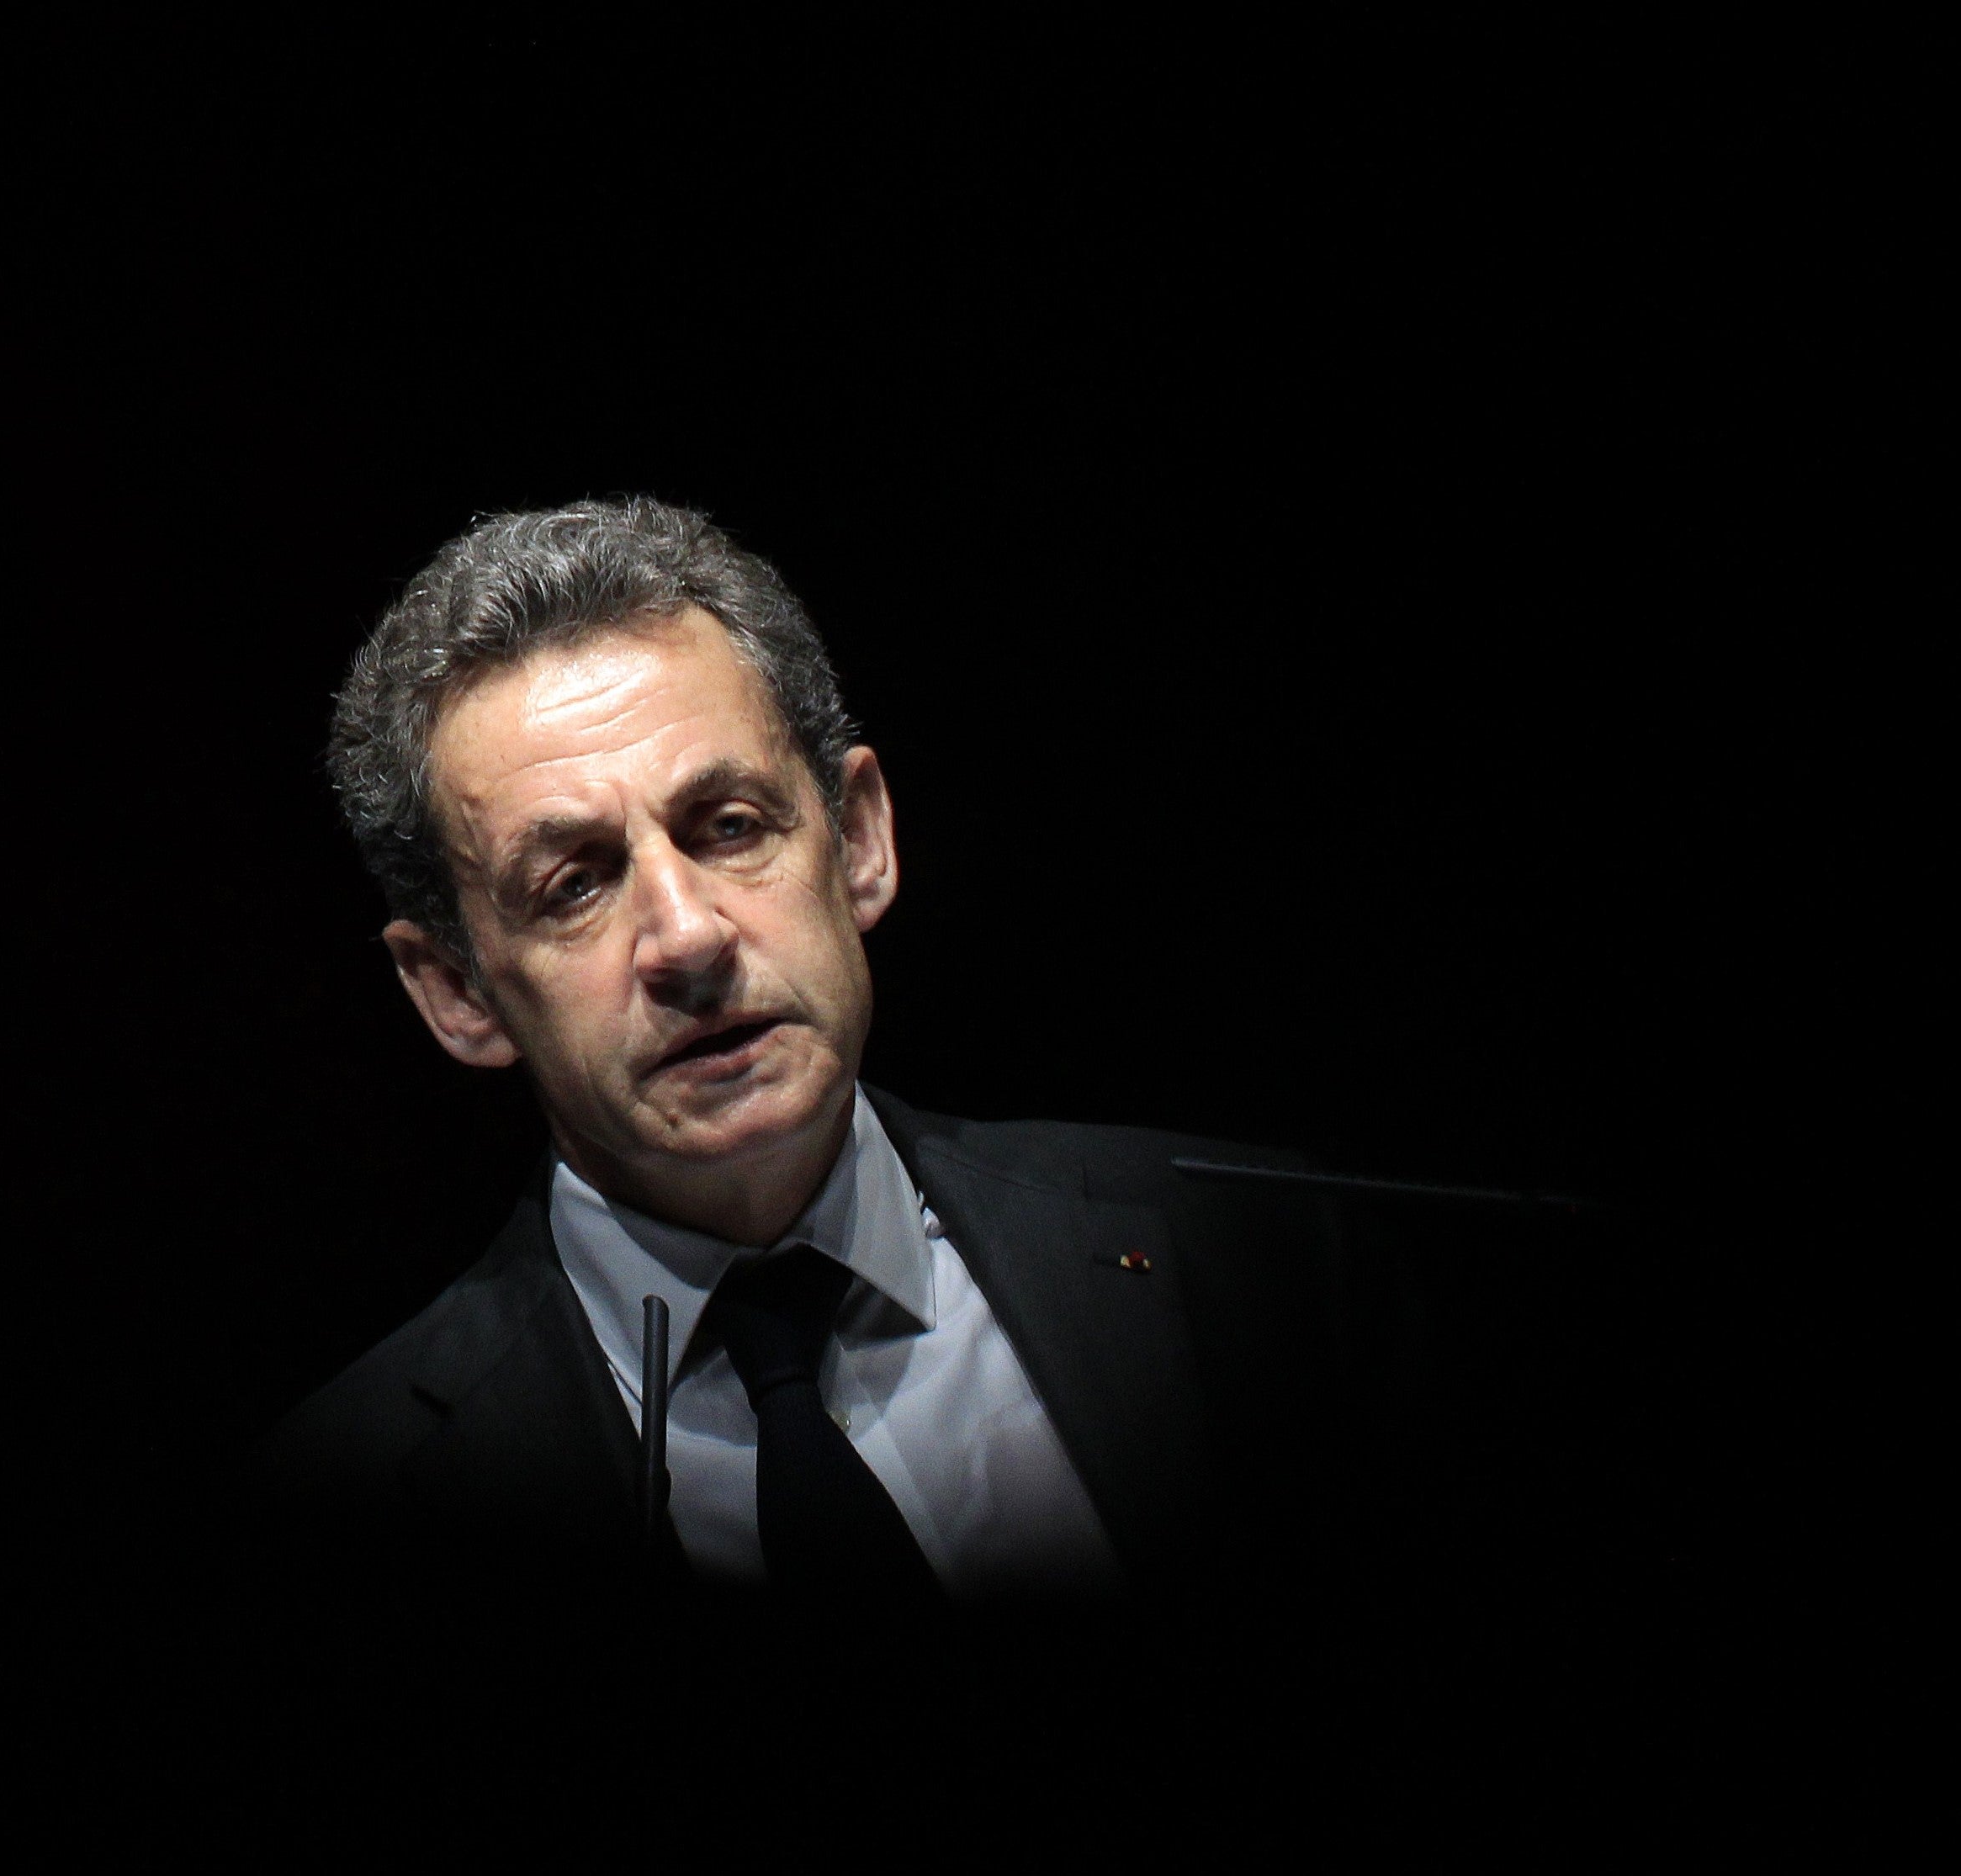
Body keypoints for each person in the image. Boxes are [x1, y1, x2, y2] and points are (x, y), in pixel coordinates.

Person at [252, 499, 1419, 1633]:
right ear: (456, 990)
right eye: (576, 884)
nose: (688, 937)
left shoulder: (1257, 1256)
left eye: (728, 826)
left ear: (857, 839)